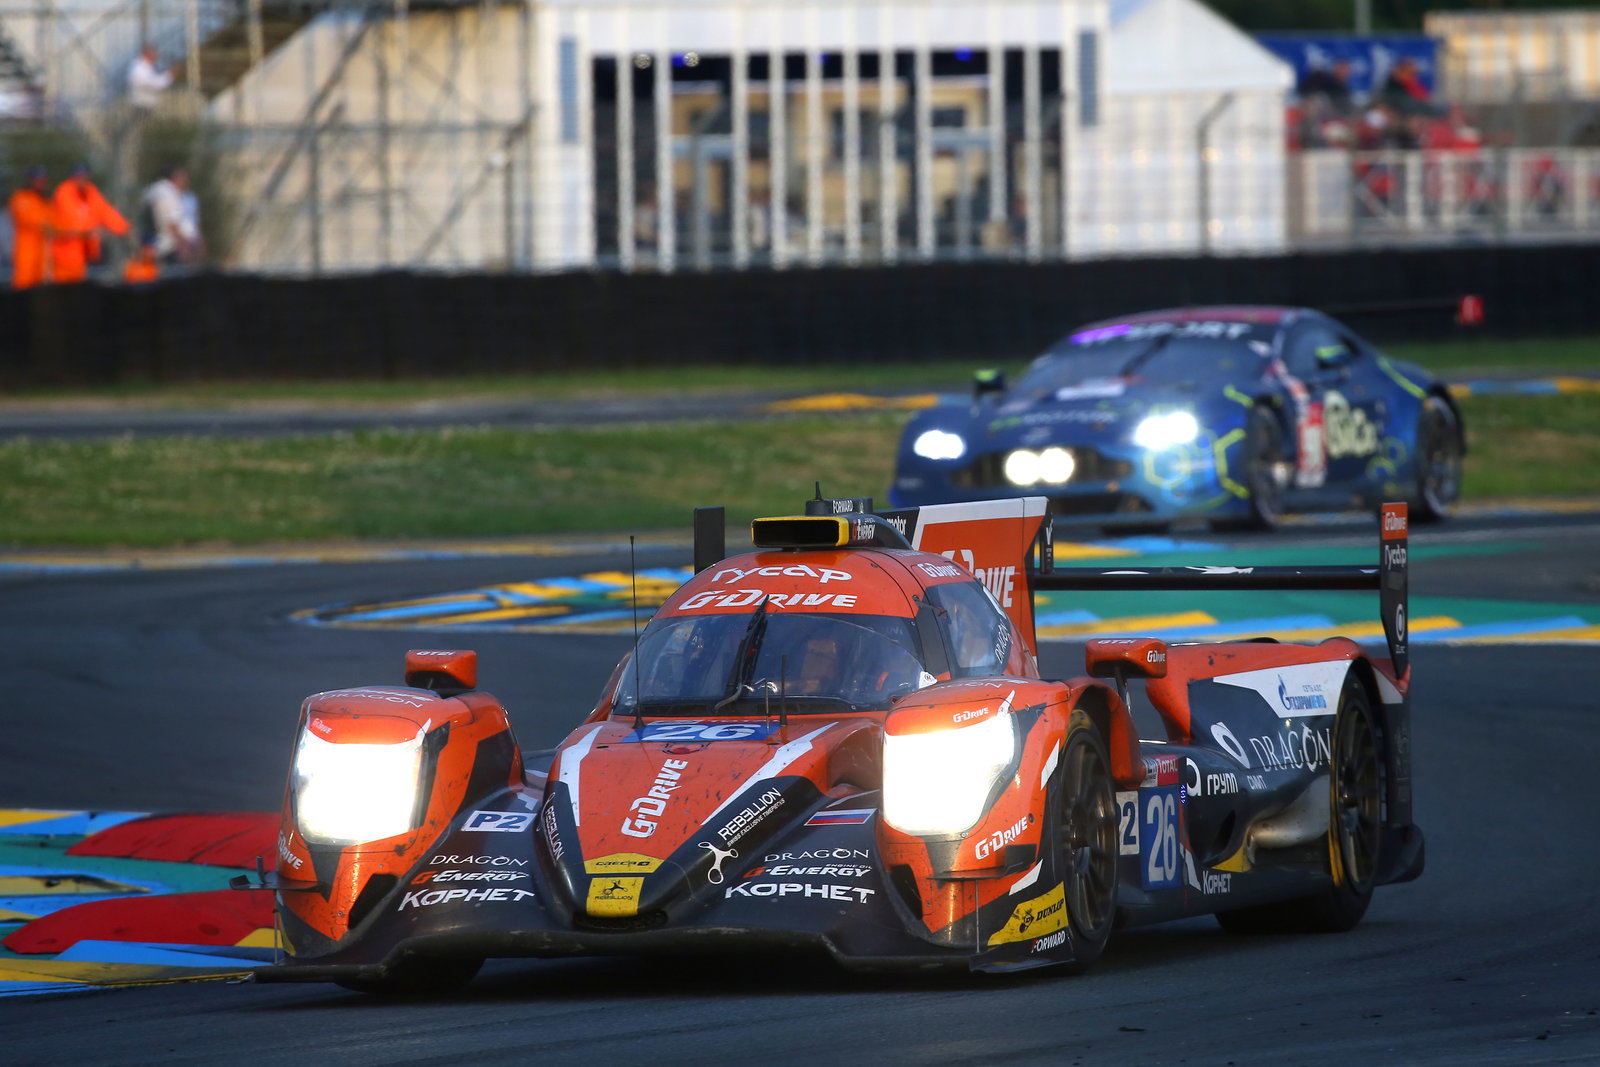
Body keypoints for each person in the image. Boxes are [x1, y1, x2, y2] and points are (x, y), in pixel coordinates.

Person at [50, 164, 129, 284]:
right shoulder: (64, 192)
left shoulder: (90, 191)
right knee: (66, 289)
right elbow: (73, 220)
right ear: (72, 177)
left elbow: (104, 210)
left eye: (84, 176)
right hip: (66, 253)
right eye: (78, 176)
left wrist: (122, 227)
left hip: (86, 253)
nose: (81, 180)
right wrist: (92, 229)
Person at [8, 166, 54, 289]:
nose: (41, 183)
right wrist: (47, 227)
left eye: (43, 180)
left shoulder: (45, 202)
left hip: (42, 256)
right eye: (37, 180)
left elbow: (55, 224)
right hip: (26, 253)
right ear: (30, 181)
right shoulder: (20, 198)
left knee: (38, 291)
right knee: (22, 287)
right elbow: (29, 219)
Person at [142, 166, 199, 265]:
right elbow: (172, 223)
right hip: (168, 247)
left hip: (157, 244)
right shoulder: (166, 193)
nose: (185, 182)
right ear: (174, 178)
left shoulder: (155, 191)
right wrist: (184, 245)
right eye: (183, 179)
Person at [127, 44, 178, 113]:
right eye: (154, 53)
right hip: (142, 105)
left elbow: (154, 80)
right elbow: (153, 84)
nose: (157, 56)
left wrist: (169, 75)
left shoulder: (146, 67)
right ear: (147, 54)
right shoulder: (139, 68)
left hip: (146, 104)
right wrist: (169, 75)